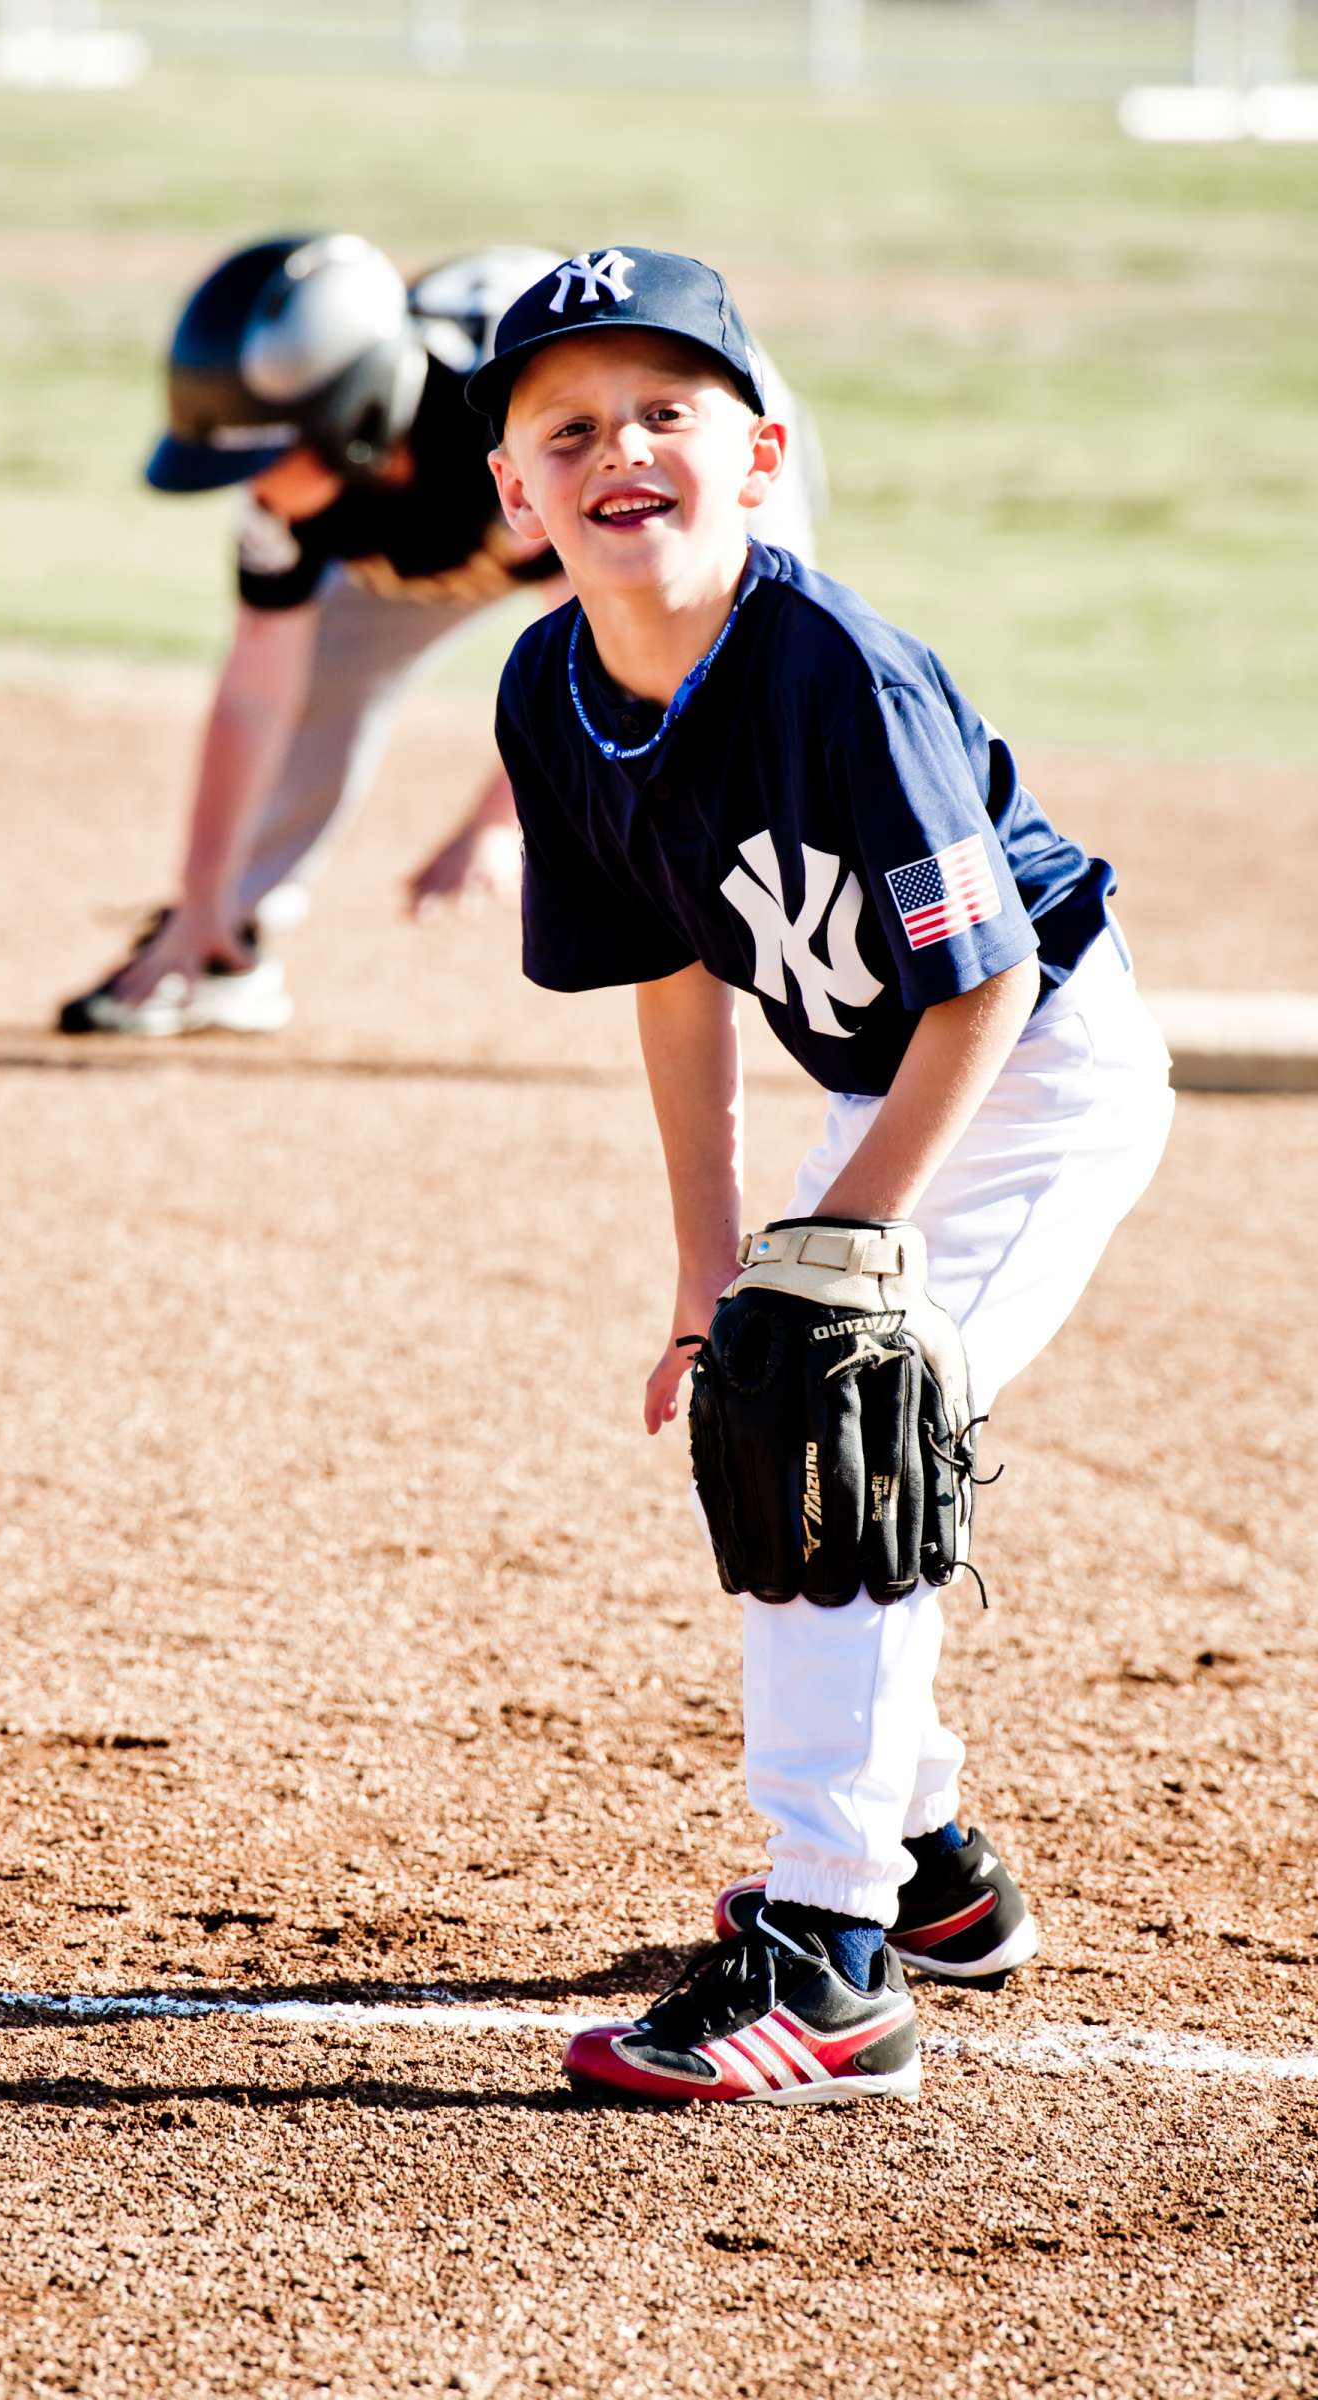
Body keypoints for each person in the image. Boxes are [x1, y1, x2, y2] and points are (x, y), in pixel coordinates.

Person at [472, 248, 1174, 2106]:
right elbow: (673, 973)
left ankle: (831, 1954)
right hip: (900, 1082)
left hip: (1029, 1070)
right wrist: (712, 1273)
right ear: (513, 493)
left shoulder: (826, 671)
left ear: (758, 454)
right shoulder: (552, 690)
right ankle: (926, 1870)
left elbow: (988, 980)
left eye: (665, 412)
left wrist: (839, 1252)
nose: (618, 448)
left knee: (830, 1411)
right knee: (768, 1387)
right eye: (567, 427)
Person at [56, 233, 825, 1035]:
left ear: (351, 415)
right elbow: (255, 692)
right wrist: (201, 890)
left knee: (750, 677)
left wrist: (499, 823)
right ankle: (219, 943)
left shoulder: (512, 440)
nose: (251, 488)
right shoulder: (294, 491)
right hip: (457, 516)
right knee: (323, 669)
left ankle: (853, 945)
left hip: (660, 451)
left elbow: (617, 659)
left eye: (269, 455)